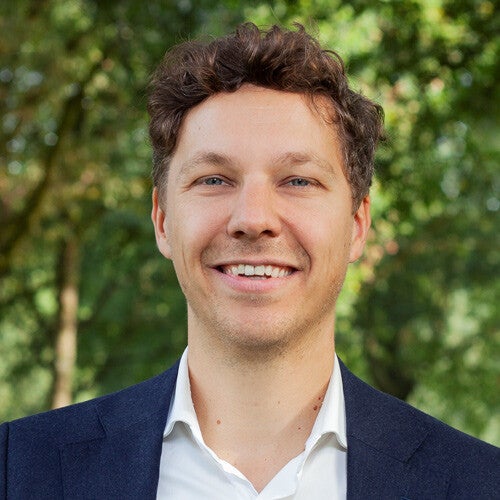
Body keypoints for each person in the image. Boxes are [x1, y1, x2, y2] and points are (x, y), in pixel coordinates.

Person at [1, 22, 498, 499]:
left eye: (298, 180)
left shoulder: (480, 483)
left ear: (357, 225)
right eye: (214, 179)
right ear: (163, 220)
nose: (254, 219)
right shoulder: (16, 469)